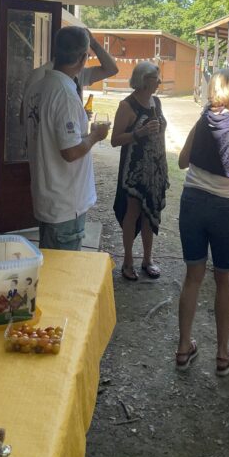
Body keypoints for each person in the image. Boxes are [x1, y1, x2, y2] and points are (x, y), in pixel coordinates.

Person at [176, 69, 229, 376]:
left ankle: (183, 348)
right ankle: (223, 355)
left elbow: (182, 161)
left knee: (192, 277)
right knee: (224, 279)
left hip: (192, 201)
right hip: (224, 207)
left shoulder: (201, 121)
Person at [26, 23, 119, 251]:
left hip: (48, 196)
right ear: (83, 58)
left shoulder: (39, 86)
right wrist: (95, 135)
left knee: (50, 265)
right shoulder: (65, 94)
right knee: (63, 270)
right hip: (66, 202)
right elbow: (70, 152)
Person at [109, 62, 170, 281]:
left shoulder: (156, 102)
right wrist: (139, 133)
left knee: (149, 212)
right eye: (156, 78)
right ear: (144, 80)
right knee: (133, 211)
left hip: (155, 168)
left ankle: (147, 259)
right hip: (134, 171)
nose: (159, 82)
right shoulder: (127, 106)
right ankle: (128, 261)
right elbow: (115, 140)